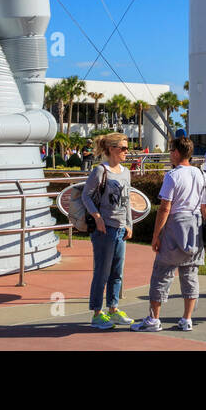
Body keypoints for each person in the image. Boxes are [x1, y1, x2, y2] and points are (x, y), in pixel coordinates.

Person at [132, 136, 206, 332]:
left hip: (176, 225)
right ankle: (187, 319)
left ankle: (153, 319)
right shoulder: (201, 174)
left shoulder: (172, 176)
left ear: (177, 152)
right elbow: (205, 206)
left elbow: (164, 208)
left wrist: (156, 235)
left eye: (170, 151)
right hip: (195, 226)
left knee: (162, 273)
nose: (169, 154)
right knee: (190, 274)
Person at [82, 133, 134, 329]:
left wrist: (129, 224)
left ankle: (113, 309)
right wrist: (97, 218)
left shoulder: (126, 172)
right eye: (123, 148)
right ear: (111, 149)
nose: (126, 152)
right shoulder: (100, 171)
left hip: (121, 228)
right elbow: (86, 196)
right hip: (105, 229)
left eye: (127, 148)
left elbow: (127, 200)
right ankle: (97, 313)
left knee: (117, 272)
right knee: (102, 272)